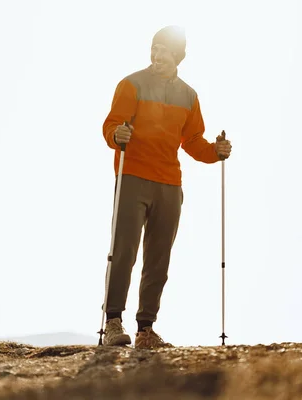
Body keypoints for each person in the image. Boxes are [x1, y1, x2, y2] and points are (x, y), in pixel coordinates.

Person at [101, 25, 232, 349]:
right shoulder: (131, 84)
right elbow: (111, 124)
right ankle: (114, 322)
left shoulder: (188, 96)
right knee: (124, 252)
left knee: (159, 259)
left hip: (170, 184)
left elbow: (193, 141)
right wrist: (117, 135)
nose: (157, 55)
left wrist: (215, 152)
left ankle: (146, 329)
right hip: (132, 177)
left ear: (177, 56)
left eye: (164, 50)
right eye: (154, 48)